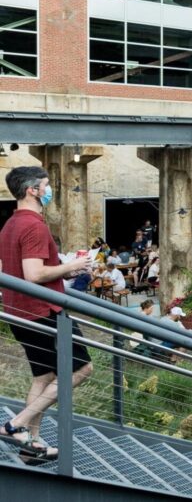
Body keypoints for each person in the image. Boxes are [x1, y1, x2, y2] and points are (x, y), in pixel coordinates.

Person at [0, 166, 94, 462]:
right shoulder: (34, 225)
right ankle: (16, 425)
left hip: (21, 312)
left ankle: (32, 447)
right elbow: (34, 273)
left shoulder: (11, 224)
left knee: (43, 377)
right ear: (33, 190)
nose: (49, 189)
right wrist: (73, 267)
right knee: (81, 369)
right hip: (44, 312)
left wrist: (63, 268)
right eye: (47, 184)